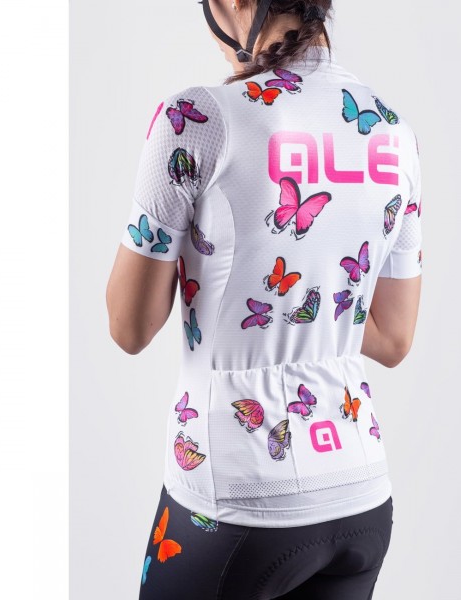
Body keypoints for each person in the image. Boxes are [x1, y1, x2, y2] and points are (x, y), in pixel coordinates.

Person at [106, 1, 423, 598]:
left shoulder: (196, 118)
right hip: (359, 493)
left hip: (234, 495)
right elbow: (394, 337)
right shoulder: (391, 129)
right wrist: (307, 299)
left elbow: (129, 326)